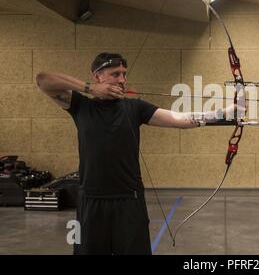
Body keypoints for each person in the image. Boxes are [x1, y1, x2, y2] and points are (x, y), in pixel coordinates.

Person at [36, 52, 242, 255]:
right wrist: (91, 89)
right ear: (97, 75)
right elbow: (43, 80)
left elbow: (181, 119)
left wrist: (224, 112)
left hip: (129, 200)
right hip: (91, 200)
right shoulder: (81, 105)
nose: (122, 80)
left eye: (124, 74)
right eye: (115, 74)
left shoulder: (135, 107)